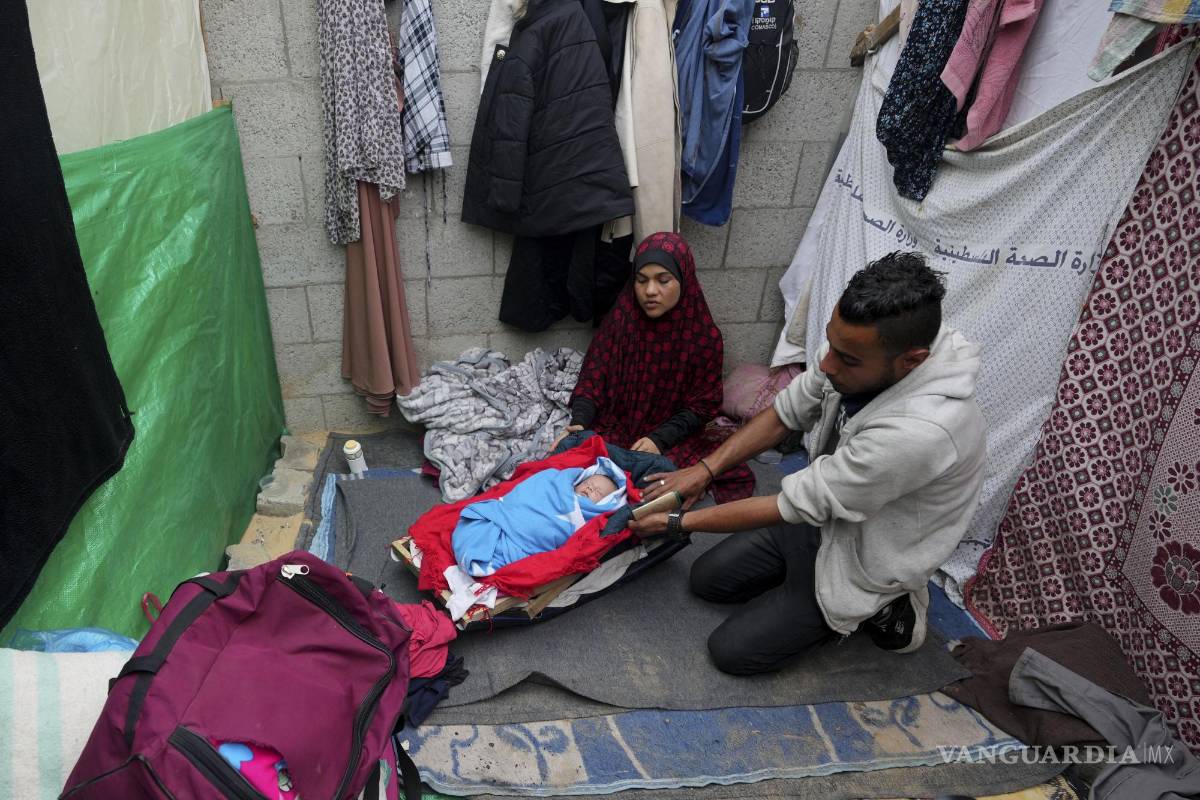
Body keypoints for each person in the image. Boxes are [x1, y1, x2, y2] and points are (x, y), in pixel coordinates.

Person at [629, 251, 986, 675]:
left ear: (912, 361)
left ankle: (891, 607)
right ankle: (799, 583)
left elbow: (792, 504)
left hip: (866, 555)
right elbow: (787, 412)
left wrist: (675, 523)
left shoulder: (922, 432)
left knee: (732, 653)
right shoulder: (860, 344)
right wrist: (703, 472)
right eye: (830, 344)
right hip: (822, 515)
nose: (826, 364)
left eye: (847, 360)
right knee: (708, 581)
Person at [559, 231, 755, 502]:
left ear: (683, 280)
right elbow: (595, 376)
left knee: (663, 484)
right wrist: (580, 421)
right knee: (580, 469)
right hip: (618, 424)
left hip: (672, 435)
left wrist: (659, 439)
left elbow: (703, 405)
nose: (650, 291)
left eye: (663, 280)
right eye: (641, 280)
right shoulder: (622, 321)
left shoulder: (702, 337)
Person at [452, 457, 628, 576]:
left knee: (516, 553)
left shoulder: (589, 519)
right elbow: (529, 493)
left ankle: (484, 556)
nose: (590, 488)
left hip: (530, 540)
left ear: (605, 504)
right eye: (588, 483)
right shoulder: (554, 483)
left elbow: (567, 541)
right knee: (480, 522)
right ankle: (480, 547)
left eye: (598, 492)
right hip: (510, 515)